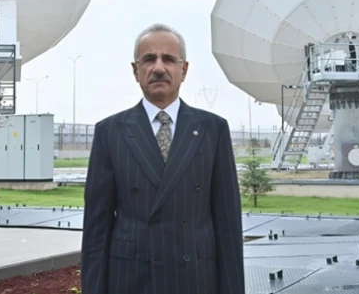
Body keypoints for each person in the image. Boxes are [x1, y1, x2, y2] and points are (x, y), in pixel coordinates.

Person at [80, 23, 245, 294]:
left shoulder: (213, 130)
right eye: (149, 59)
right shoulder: (109, 132)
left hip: (196, 280)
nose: (158, 68)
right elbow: (96, 232)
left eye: (168, 59)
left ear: (184, 69)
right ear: (136, 71)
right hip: (130, 281)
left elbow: (228, 227)